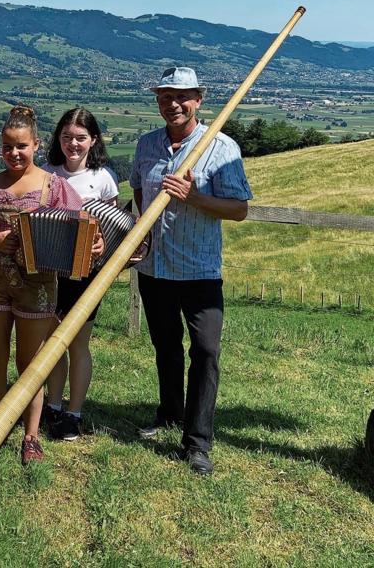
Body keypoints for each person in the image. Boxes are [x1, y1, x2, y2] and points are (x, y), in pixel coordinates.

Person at [131, 66, 251, 475]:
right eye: (165, 96)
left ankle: (198, 442)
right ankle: (169, 413)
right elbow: (137, 190)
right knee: (165, 345)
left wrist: (195, 197)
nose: (173, 104)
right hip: (154, 269)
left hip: (199, 270)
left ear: (199, 100)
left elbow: (239, 209)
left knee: (206, 351)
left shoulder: (221, 148)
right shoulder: (147, 145)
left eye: (182, 97)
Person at [0, 106, 97, 464]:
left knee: (31, 364)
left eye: (21, 146)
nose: (14, 153)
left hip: (39, 286)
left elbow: (82, 225)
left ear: (36, 145)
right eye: (8, 147)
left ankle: (30, 434)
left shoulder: (54, 186)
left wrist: (96, 240)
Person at [41, 108, 119, 441]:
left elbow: (114, 227)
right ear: (58, 138)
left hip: (86, 273)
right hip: (50, 271)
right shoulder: (45, 173)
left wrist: (102, 247)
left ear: (93, 140)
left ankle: (74, 412)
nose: (73, 144)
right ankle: (53, 404)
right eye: (67, 137)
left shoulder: (102, 178)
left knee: (78, 344)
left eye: (80, 138)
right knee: (52, 342)